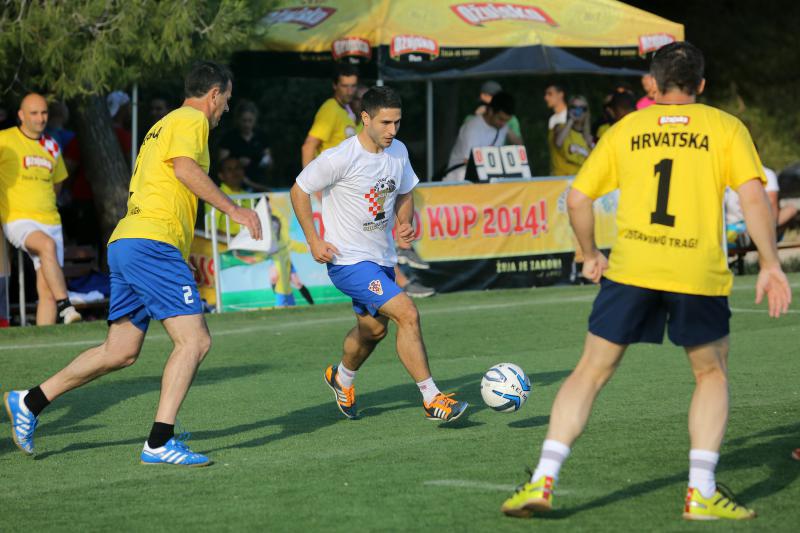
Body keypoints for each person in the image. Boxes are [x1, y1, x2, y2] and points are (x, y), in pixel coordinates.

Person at [500, 42, 792, 520]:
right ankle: (700, 492)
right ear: (701, 85)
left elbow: (577, 199)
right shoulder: (725, 127)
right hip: (696, 271)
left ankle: (543, 479)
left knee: (590, 371)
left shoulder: (626, 129)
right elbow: (754, 198)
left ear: (652, 85)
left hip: (632, 268)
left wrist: (590, 254)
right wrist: (770, 263)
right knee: (711, 373)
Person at [3, 61, 262, 466]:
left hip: (128, 241)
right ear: (214, 95)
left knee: (120, 350)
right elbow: (185, 169)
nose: (226, 109)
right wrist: (235, 209)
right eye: (226, 100)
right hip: (152, 243)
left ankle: (30, 401)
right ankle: (160, 442)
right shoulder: (192, 120)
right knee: (195, 341)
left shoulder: (164, 124)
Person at [290, 86, 468, 423]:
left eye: (397, 122)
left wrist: (404, 222)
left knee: (373, 331)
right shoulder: (340, 157)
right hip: (348, 261)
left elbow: (405, 192)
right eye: (386, 123)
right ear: (365, 118)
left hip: (382, 259)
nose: (392, 130)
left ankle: (342, 377)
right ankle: (432, 399)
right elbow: (299, 190)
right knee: (407, 313)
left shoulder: (398, 151)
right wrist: (314, 240)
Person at [0, 93, 82, 325]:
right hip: (18, 219)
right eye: (34, 113)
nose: (40, 118)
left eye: (44, 112)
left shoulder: (52, 146)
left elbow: (58, 184)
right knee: (46, 245)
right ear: (21, 115)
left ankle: (44, 337)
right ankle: (66, 305)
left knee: (46, 292)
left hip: (50, 220)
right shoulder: (4, 139)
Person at [443, 91, 515, 182]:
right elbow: (468, 161)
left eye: (506, 121)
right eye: (501, 119)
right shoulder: (472, 128)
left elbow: (519, 145)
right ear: (490, 111)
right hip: (460, 181)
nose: (503, 124)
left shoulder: (503, 127)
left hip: (486, 182)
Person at [301, 64, 359, 168]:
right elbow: (308, 146)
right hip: (329, 176)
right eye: (345, 86)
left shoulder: (346, 109)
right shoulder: (330, 109)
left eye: (353, 86)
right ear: (335, 85)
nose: (350, 91)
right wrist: (308, 178)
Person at [218, 99, 272, 189]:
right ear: (238, 120)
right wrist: (237, 162)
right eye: (244, 120)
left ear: (255, 119)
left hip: (259, 183)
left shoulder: (261, 137)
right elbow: (222, 164)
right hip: (236, 185)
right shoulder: (229, 138)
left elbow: (269, 162)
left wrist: (266, 162)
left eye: (250, 120)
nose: (247, 124)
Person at [466, 80, 523, 145]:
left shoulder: (511, 120)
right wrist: (478, 119)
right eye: (483, 103)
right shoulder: (470, 118)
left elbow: (519, 144)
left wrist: (505, 127)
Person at [550, 95, 593, 176]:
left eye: (582, 108)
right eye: (574, 107)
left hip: (580, 180)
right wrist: (571, 120)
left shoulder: (589, 138)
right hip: (561, 180)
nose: (578, 111)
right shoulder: (559, 128)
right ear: (569, 109)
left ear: (586, 112)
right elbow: (558, 143)